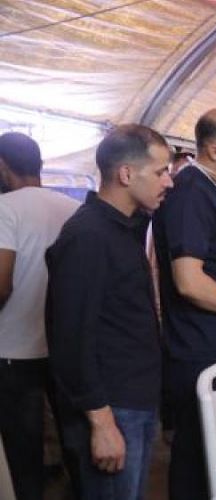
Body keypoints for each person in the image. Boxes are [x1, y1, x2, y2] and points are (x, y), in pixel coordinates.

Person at [45, 124, 173, 500]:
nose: (168, 182)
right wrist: (101, 423)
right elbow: (70, 339)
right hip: (112, 409)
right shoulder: (87, 237)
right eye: (160, 172)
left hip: (135, 402)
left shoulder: (125, 228)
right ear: (126, 174)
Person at [152, 108, 216, 500]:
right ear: (214, 151)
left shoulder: (214, 191)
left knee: (215, 450)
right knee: (196, 458)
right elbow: (188, 280)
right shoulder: (191, 194)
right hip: (201, 352)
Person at [0, 132, 79, 500]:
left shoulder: (5, 208)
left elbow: (2, 285)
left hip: (13, 349)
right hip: (62, 344)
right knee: (72, 434)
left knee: (23, 448)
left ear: (3, 166)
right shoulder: (72, 208)